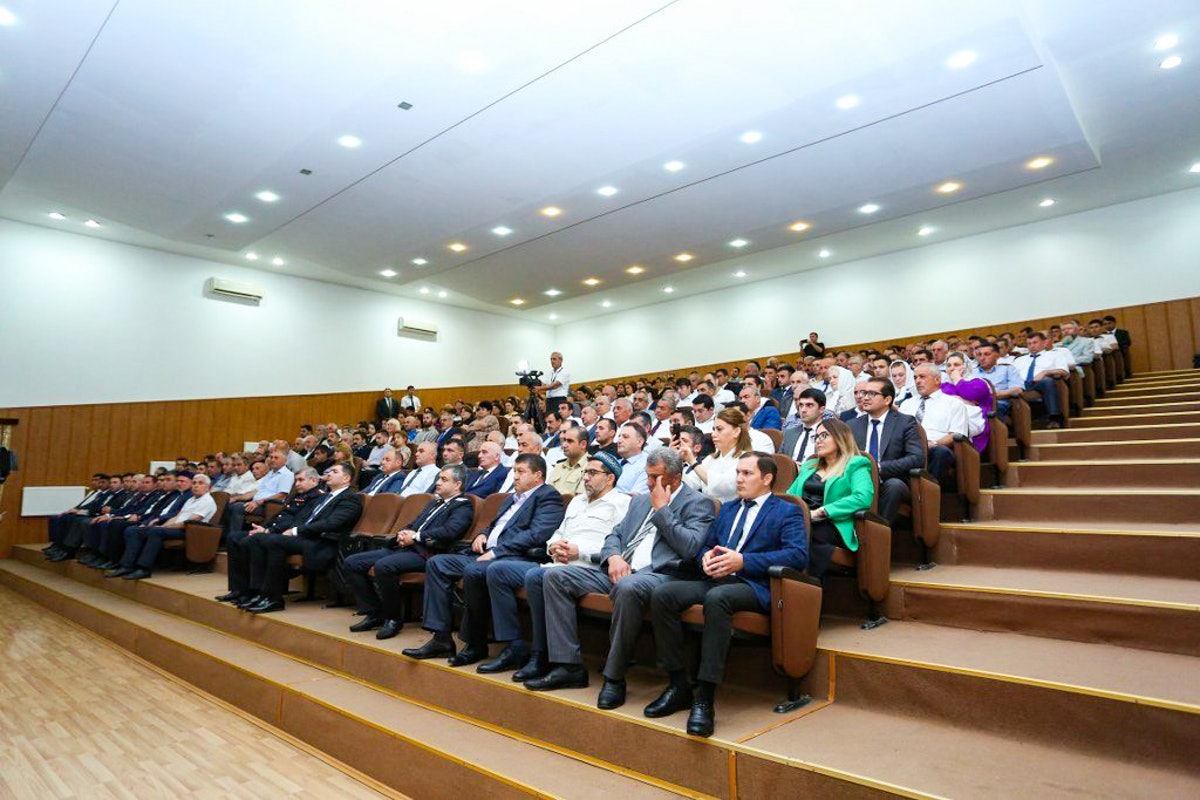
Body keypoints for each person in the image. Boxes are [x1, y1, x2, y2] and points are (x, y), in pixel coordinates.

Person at [526, 449, 712, 708]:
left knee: (627, 587)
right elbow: (615, 535)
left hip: (662, 575)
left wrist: (662, 510)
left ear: (676, 476)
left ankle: (614, 677)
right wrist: (613, 556)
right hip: (619, 570)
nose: (649, 483)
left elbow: (690, 547)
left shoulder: (697, 502)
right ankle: (568, 665)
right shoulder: (639, 501)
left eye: (655, 477)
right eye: (647, 476)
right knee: (555, 577)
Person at [647, 453, 807, 737]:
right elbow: (703, 546)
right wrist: (705, 558)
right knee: (663, 593)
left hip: (755, 585)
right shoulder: (730, 509)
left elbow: (796, 555)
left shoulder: (787, 510)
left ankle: (705, 698)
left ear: (767, 478)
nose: (739, 479)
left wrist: (744, 561)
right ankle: (678, 684)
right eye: (738, 473)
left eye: (747, 473)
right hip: (717, 579)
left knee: (717, 599)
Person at [485, 453, 635, 684]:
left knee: (548, 575)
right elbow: (557, 534)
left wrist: (580, 553)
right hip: (561, 563)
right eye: (585, 472)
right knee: (516, 572)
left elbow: (622, 548)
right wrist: (554, 546)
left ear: (610, 478)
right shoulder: (577, 501)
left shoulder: (623, 503)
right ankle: (538, 653)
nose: (586, 477)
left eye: (593, 473)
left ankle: (569, 665)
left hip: (596, 570)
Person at [402, 454, 564, 667]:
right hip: (484, 553)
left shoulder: (548, 496)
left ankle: (477, 643)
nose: (514, 476)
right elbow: (495, 525)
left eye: (521, 472)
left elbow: (536, 534)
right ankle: (441, 638)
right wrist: (482, 534)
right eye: (514, 471)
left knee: (475, 571)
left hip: (513, 557)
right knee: (437, 563)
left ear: (538, 475)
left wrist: (497, 552)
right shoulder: (510, 498)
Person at [344, 465, 475, 639]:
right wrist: (403, 533)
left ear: (457, 485)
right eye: (438, 478)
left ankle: (393, 619)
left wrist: (416, 537)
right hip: (404, 548)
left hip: (427, 553)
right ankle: (375, 612)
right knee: (352, 563)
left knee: (384, 566)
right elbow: (414, 524)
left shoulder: (463, 506)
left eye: (444, 480)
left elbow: (450, 531)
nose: (437, 482)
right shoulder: (435, 503)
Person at [241, 463, 364, 614]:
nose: (329, 474)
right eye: (329, 470)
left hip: (323, 543)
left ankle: (273, 599)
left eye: (334, 471)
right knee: (258, 539)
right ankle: (258, 592)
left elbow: (331, 524)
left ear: (346, 478)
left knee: (274, 541)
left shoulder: (350, 499)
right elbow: (303, 517)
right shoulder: (325, 496)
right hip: (307, 538)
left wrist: (295, 531)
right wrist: (275, 530)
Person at [215, 468, 325, 607]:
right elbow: (280, 515)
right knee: (234, 537)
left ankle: (254, 591)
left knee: (250, 540)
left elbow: (298, 520)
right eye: (296, 480)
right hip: (275, 531)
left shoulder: (318, 496)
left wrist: (268, 530)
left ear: (314, 480)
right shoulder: (299, 494)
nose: (297, 483)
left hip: (287, 534)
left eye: (301, 480)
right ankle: (239, 589)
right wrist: (263, 527)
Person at [786, 419, 875, 578]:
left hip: (832, 523)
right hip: (802, 519)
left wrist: (823, 511)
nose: (818, 441)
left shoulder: (856, 463)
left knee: (806, 533)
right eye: (816, 437)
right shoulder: (809, 466)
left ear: (840, 437)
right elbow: (789, 496)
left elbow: (863, 497)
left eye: (824, 436)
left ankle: (805, 586)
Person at [106, 473, 218, 580]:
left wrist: (164, 528)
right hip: (176, 527)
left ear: (208, 487)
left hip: (190, 531)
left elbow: (190, 521)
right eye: (194, 483)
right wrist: (163, 526)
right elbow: (177, 517)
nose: (196, 486)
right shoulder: (190, 499)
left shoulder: (207, 501)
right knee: (133, 530)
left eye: (200, 483)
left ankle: (144, 568)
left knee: (155, 532)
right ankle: (126, 566)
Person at [848, 379, 925, 523]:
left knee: (894, 486)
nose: (864, 397)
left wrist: (879, 468)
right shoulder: (852, 425)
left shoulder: (905, 422)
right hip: (856, 479)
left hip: (889, 479)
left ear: (887, 399)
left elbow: (916, 458)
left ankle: (877, 533)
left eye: (871, 394)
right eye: (864, 393)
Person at [899, 364, 971, 481]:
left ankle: (930, 492)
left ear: (937, 379)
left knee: (941, 452)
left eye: (922, 377)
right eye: (915, 378)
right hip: (907, 448)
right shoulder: (907, 404)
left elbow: (957, 434)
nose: (917, 381)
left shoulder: (953, 403)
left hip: (934, 448)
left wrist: (933, 443)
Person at [680, 408, 752, 503]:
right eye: (713, 429)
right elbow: (691, 484)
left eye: (719, 429)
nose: (713, 434)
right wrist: (675, 461)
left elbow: (723, 487)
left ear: (736, 432)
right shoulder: (711, 458)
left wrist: (692, 461)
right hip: (707, 510)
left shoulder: (746, 459)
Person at [1012, 331, 1072, 428]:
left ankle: (1054, 418)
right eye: (1029, 343)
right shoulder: (1019, 359)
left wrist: (1045, 372)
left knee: (1047, 381)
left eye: (1035, 343)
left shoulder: (1055, 355)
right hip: (1021, 384)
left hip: (1040, 382)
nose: (1032, 346)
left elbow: (1064, 372)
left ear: (1044, 343)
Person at [940, 352, 991, 453]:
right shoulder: (943, 386)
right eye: (949, 365)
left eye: (956, 365)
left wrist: (957, 379)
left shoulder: (978, 382)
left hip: (973, 423)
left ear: (966, 366)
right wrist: (962, 400)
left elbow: (969, 393)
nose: (952, 368)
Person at [781, 388, 827, 465]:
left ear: (821, 409)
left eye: (809, 405)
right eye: (801, 405)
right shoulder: (789, 433)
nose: (803, 410)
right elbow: (781, 460)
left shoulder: (829, 434)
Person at [547, 426, 589, 496]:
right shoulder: (559, 465)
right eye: (564, 440)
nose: (564, 445)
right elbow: (547, 494)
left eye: (570, 441)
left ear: (583, 444)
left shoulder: (591, 467)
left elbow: (580, 499)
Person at [614, 422, 649, 494]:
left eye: (625, 437)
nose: (619, 441)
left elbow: (635, 498)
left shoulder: (647, 466)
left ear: (639, 442)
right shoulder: (614, 462)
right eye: (619, 436)